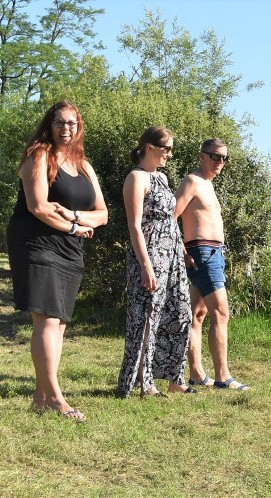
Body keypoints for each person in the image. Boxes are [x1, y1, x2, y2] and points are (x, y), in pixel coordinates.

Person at [7, 101, 108, 421]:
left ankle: (40, 396)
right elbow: (38, 207)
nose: (67, 129)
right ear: (49, 126)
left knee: (59, 322)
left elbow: (103, 214)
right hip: (36, 243)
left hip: (69, 248)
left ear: (79, 128)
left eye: (73, 124)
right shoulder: (39, 156)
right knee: (48, 319)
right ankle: (55, 397)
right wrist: (77, 226)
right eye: (60, 123)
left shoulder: (84, 166)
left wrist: (75, 217)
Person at [117, 126, 194, 397]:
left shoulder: (160, 177)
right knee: (146, 318)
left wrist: (181, 250)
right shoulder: (136, 179)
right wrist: (146, 266)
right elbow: (135, 227)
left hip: (171, 256)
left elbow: (169, 221)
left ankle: (174, 376)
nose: (170, 155)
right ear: (149, 148)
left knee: (181, 312)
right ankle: (143, 381)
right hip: (149, 256)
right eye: (166, 149)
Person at [174, 138, 249, 390]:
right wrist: (182, 251)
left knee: (197, 314)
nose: (220, 162)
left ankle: (196, 374)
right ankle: (223, 377)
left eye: (224, 158)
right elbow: (169, 218)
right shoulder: (192, 182)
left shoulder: (208, 184)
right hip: (201, 252)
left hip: (213, 252)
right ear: (202, 155)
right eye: (215, 156)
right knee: (221, 312)